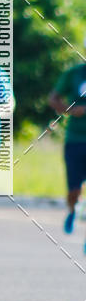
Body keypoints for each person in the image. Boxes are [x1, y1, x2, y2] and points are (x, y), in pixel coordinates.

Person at [48, 47, 86, 244]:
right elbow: (53, 98)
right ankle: (73, 209)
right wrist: (70, 110)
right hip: (76, 139)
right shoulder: (74, 73)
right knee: (74, 190)